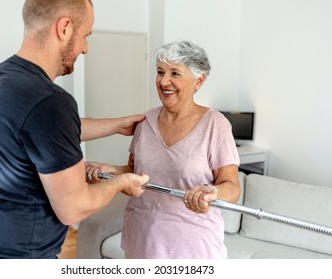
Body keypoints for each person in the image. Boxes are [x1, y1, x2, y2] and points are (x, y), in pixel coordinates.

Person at [0, 0, 149, 259]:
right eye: (85, 36)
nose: (85, 49)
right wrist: (121, 183)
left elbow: (44, 131)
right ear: (65, 28)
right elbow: (74, 209)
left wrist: (116, 125)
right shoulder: (50, 102)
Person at [86, 40, 241, 258]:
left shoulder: (216, 124)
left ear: (199, 81)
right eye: (160, 72)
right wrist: (109, 171)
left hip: (193, 248)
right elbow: (134, 172)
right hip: (141, 239)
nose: (164, 81)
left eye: (175, 73)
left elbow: (232, 187)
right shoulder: (146, 120)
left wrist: (213, 192)